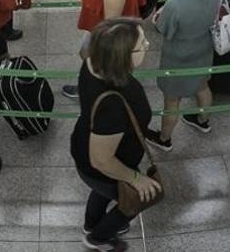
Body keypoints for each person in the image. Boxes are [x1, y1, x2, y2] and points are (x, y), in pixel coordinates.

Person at [69, 17, 161, 252]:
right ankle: (98, 238)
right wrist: (136, 179)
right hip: (104, 164)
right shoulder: (113, 104)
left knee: (101, 192)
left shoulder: (93, 61)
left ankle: (91, 225)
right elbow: (102, 160)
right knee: (135, 199)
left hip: (85, 147)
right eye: (142, 44)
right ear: (122, 57)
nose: (148, 45)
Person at [145, 0, 220, 150]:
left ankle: (164, 139)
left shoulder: (175, 4)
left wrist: (157, 18)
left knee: (172, 101)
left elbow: (162, 28)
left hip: (177, 59)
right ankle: (203, 121)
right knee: (203, 87)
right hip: (204, 51)